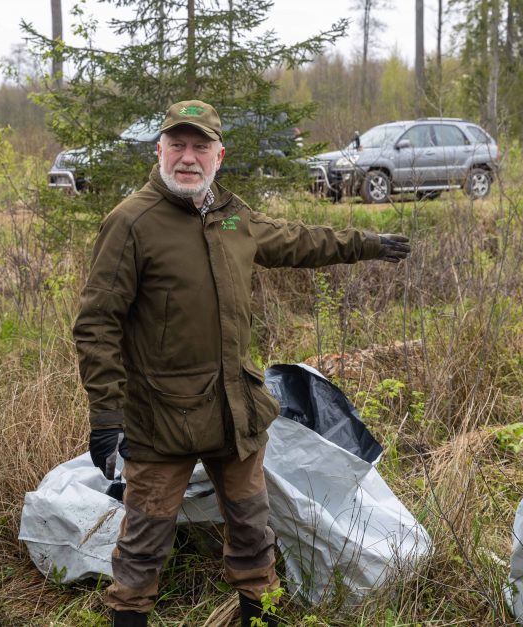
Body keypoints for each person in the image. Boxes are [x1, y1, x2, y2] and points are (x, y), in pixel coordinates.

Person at [74, 99, 410, 627]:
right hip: (162, 419)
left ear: (218, 155)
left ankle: (261, 617)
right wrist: (106, 417)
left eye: (200, 146)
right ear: (159, 150)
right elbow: (96, 325)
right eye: (178, 145)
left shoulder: (233, 216)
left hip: (236, 411)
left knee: (254, 535)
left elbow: (300, 240)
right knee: (142, 547)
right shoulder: (131, 222)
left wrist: (366, 243)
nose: (188, 157)